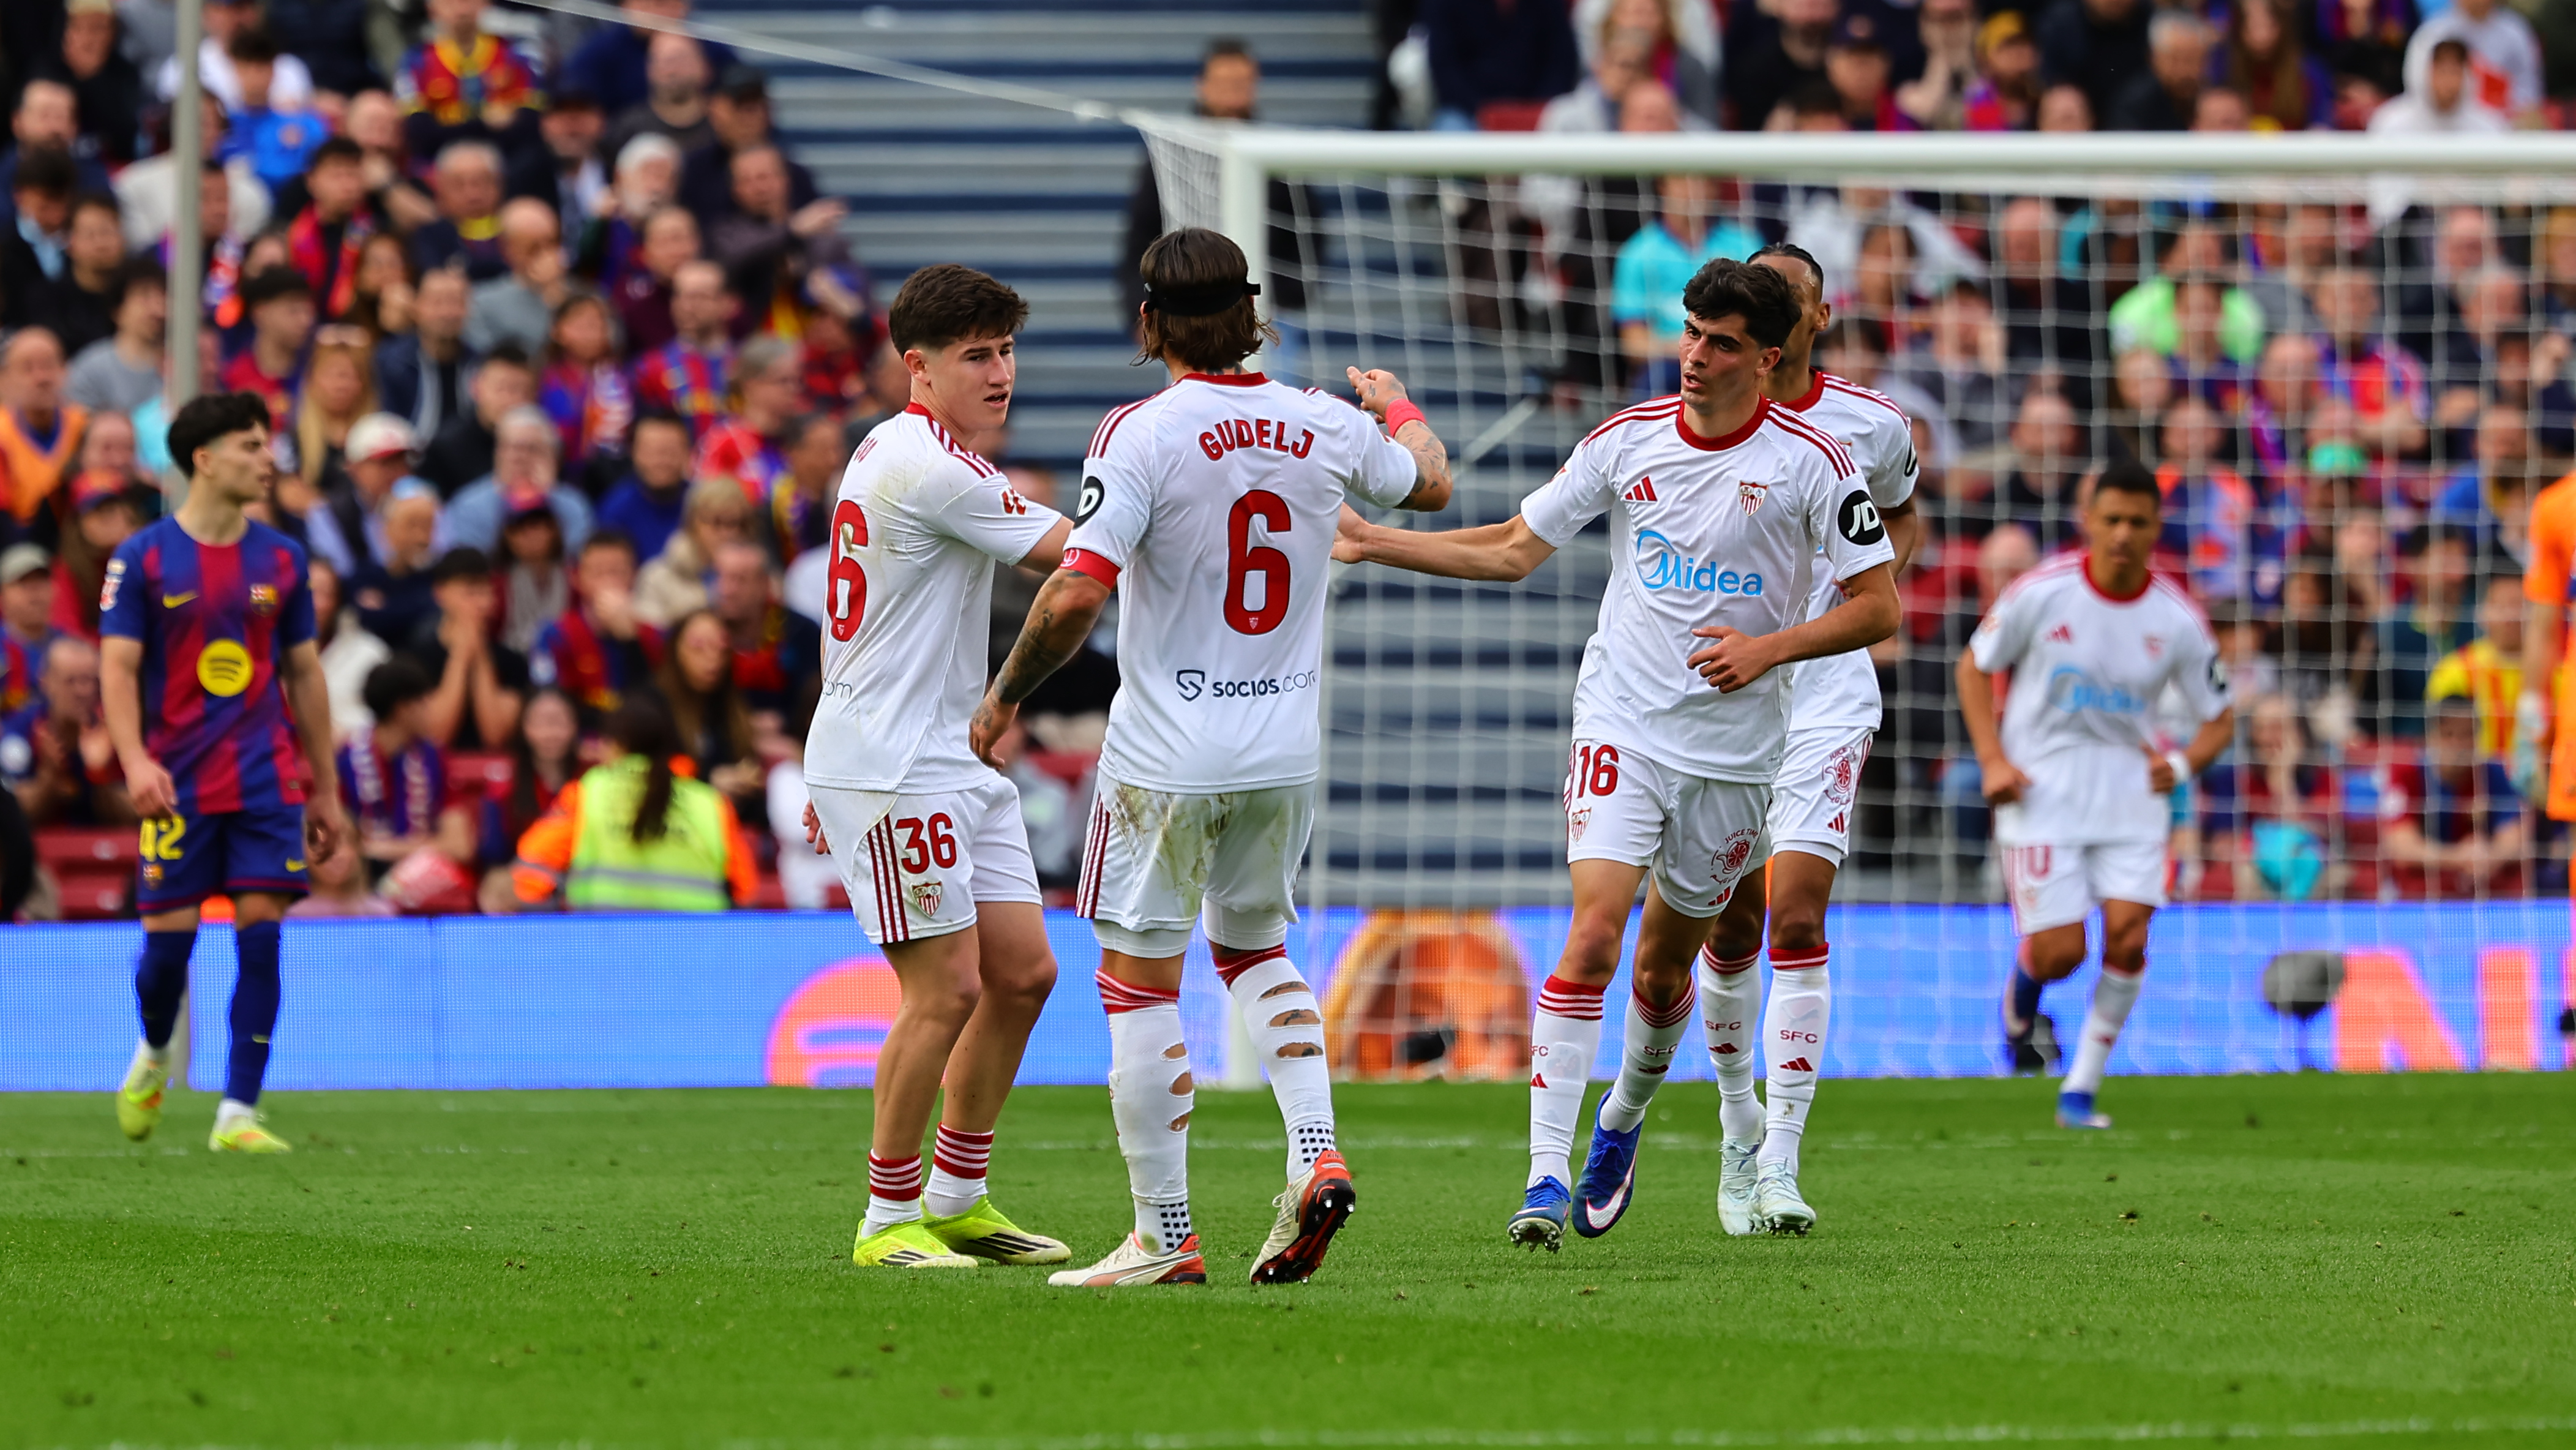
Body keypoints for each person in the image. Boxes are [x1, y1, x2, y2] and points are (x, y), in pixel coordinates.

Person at [1338, 258, 1896, 1254]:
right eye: (1689, 333)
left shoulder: (1816, 460)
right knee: (1593, 933)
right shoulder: (1626, 441)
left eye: (1720, 342)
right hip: (1623, 729)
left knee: (1663, 970)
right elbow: (1514, 546)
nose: (1694, 355)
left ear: (1764, 359)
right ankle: (1543, 1176)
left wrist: (1765, 650)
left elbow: (1878, 605)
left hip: (1736, 754)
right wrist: (1376, 543)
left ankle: (1625, 1115)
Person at [978, 230, 1454, 1285]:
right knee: (1252, 952)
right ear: (1252, 316)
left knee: (1136, 983)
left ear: (1149, 322)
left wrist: (1006, 693)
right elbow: (1427, 486)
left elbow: (1075, 588)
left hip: (1164, 755)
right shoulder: (1325, 423)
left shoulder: (1141, 432)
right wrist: (1398, 404)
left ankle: (1165, 1232)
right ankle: (1313, 1147)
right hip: (1283, 750)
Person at [793, 262, 1075, 1272]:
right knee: (945, 986)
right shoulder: (929, 465)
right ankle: (885, 1217)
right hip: (896, 758)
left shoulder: (911, 448)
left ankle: (957, 1197)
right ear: (918, 367)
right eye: (975, 355)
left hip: (940, 749)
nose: (1000, 372)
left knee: (1024, 971)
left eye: (1004, 350)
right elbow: (1076, 560)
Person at [1638, 241, 1919, 1238]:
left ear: (1815, 315)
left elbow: (1897, 523)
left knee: (1796, 914)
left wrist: (1839, 605)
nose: (1772, 309)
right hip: (1723, 689)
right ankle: (1733, 1123)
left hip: (1826, 688)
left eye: (1787, 296)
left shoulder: (1871, 427)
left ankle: (1781, 1163)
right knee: (1731, 925)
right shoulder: (1698, 416)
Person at [100, 389, 348, 1154]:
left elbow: (304, 675)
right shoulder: (142, 557)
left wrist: (325, 787)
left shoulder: (284, 559)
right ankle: (152, 1053)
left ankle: (237, 1112)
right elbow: (118, 664)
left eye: (266, 443)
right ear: (203, 459)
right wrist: (135, 759)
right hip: (176, 783)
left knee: (263, 938)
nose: (266, 458)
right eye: (249, 445)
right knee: (167, 952)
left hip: (265, 779)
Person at [1956, 458, 2235, 1129]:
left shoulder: (2175, 618)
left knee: (2128, 934)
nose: (2121, 534)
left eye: (2136, 522)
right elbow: (1973, 665)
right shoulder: (2041, 591)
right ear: (2087, 520)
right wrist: (1991, 759)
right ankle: (2021, 997)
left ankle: (2079, 1088)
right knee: (2061, 952)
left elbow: (2219, 716)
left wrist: (2183, 764)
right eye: (2109, 519)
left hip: (2130, 793)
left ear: (2154, 528)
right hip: (2041, 790)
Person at [509, 693, 755, 911]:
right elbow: (747, 892)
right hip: (698, 952)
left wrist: (554, 929)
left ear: (615, 745)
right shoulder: (710, 803)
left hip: (606, 949)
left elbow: (531, 873)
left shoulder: (589, 793)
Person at [337, 655, 474, 882]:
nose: (431, 710)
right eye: (425, 702)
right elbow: (338, 844)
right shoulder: (346, 760)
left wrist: (386, 849)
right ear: (404, 709)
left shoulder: (435, 759)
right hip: (358, 880)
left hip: (420, 879)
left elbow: (461, 847)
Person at [2, 633, 132, 825]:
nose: (83, 691)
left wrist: (99, 775)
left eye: (89, 681)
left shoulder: (114, 732)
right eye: (71, 681)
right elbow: (9, 813)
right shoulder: (20, 732)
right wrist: (49, 776)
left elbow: (135, 813)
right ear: (46, 682)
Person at [531, 527, 657, 723]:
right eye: (597, 573)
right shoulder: (555, 635)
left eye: (617, 572)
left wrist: (631, 641)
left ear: (634, 575)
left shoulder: (653, 636)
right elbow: (549, 700)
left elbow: (653, 706)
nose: (608, 582)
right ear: (577, 578)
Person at [395, 0, 541, 162]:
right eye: (450, 2)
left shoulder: (513, 55)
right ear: (432, 9)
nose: (461, 9)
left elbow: (532, 121)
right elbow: (419, 132)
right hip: (440, 162)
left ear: (485, 4)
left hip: (507, 160)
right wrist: (483, 124)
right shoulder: (417, 62)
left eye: (468, 1)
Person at [446, 405, 596, 554]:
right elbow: (470, 569)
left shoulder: (573, 506)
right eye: (514, 448)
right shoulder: (470, 507)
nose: (522, 457)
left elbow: (578, 565)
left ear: (553, 458)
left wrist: (546, 501)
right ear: (498, 454)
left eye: (533, 449)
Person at [631, 257, 735, 440]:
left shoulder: (744, 366)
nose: (688, 307)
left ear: (725, 303)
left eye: (700, 297)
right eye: (680, 296)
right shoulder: (651, 367)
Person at [0, 327, 88, 538]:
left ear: (65, 370)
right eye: (27, 368)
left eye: (49, 365)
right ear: (5, 378)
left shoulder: (88, 427)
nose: (41, 378)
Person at [39, 0, 147, 168]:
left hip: (106, 167)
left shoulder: (126, 73)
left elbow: (126, 134)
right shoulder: (45, 70)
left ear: (113, 33)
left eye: (98, 28)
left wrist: (94, 78)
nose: (88, 38)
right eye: (78, 27)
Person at [376, 263, 475, 442]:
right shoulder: (390, 363)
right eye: (437, 302)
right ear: (417, 307)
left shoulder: (480, 365)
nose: (447, 313)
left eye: (456, 302)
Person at [417, 341, 533, 495]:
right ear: (476, 387)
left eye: (520, 390)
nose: (509, 401)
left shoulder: (542, 447)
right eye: (501, 388)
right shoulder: (445, 449)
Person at [633, 475, 748, 626]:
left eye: (734, 523)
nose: (726, 534)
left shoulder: (761, 580)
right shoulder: (656, 578)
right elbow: (652, 644)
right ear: (693, 525)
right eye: (716, 523)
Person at [464, 197, 568, 356]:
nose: (546, 255)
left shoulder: (582, 295)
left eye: (552, 243)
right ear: (508, 249)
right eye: (534, 247)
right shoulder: (481, 303)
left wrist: (559, 298)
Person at [67, 256, 167, 415]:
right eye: (145, 297)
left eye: (163, 297)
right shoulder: (91, 369)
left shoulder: (180, 366)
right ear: (118, 310)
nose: (158, 310)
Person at [218, 266, 315, 430]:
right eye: (293, 311)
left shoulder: (314, 375)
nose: (305, 321)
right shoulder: (233, 378)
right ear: (260, 312)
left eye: (308, 311)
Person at [596, 408, 691, 564]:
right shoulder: (615, 510)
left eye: (670, 451)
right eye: (652, 451)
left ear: (688, 453)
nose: (662, 461)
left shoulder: (702, 505)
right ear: (634, 453)